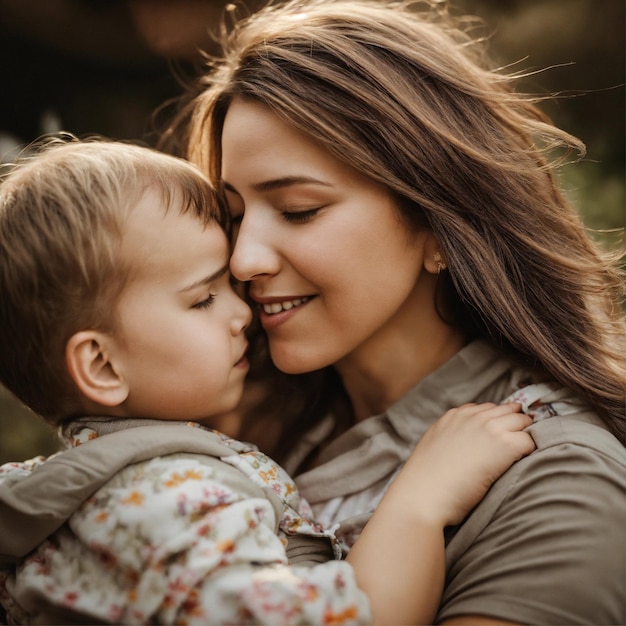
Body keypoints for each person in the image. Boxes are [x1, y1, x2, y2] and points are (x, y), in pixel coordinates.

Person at [162, 0, 626, 624]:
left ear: (437, 223)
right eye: (236, 216)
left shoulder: (556, 480)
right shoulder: (258, 446)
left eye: (298, 209)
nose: (244, 260)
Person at [0, 136, 535, 625]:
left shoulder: (108, 495)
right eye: (203, 298)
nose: (242, 311)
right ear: (102, 365)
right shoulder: (170, 503)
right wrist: (421, 502)